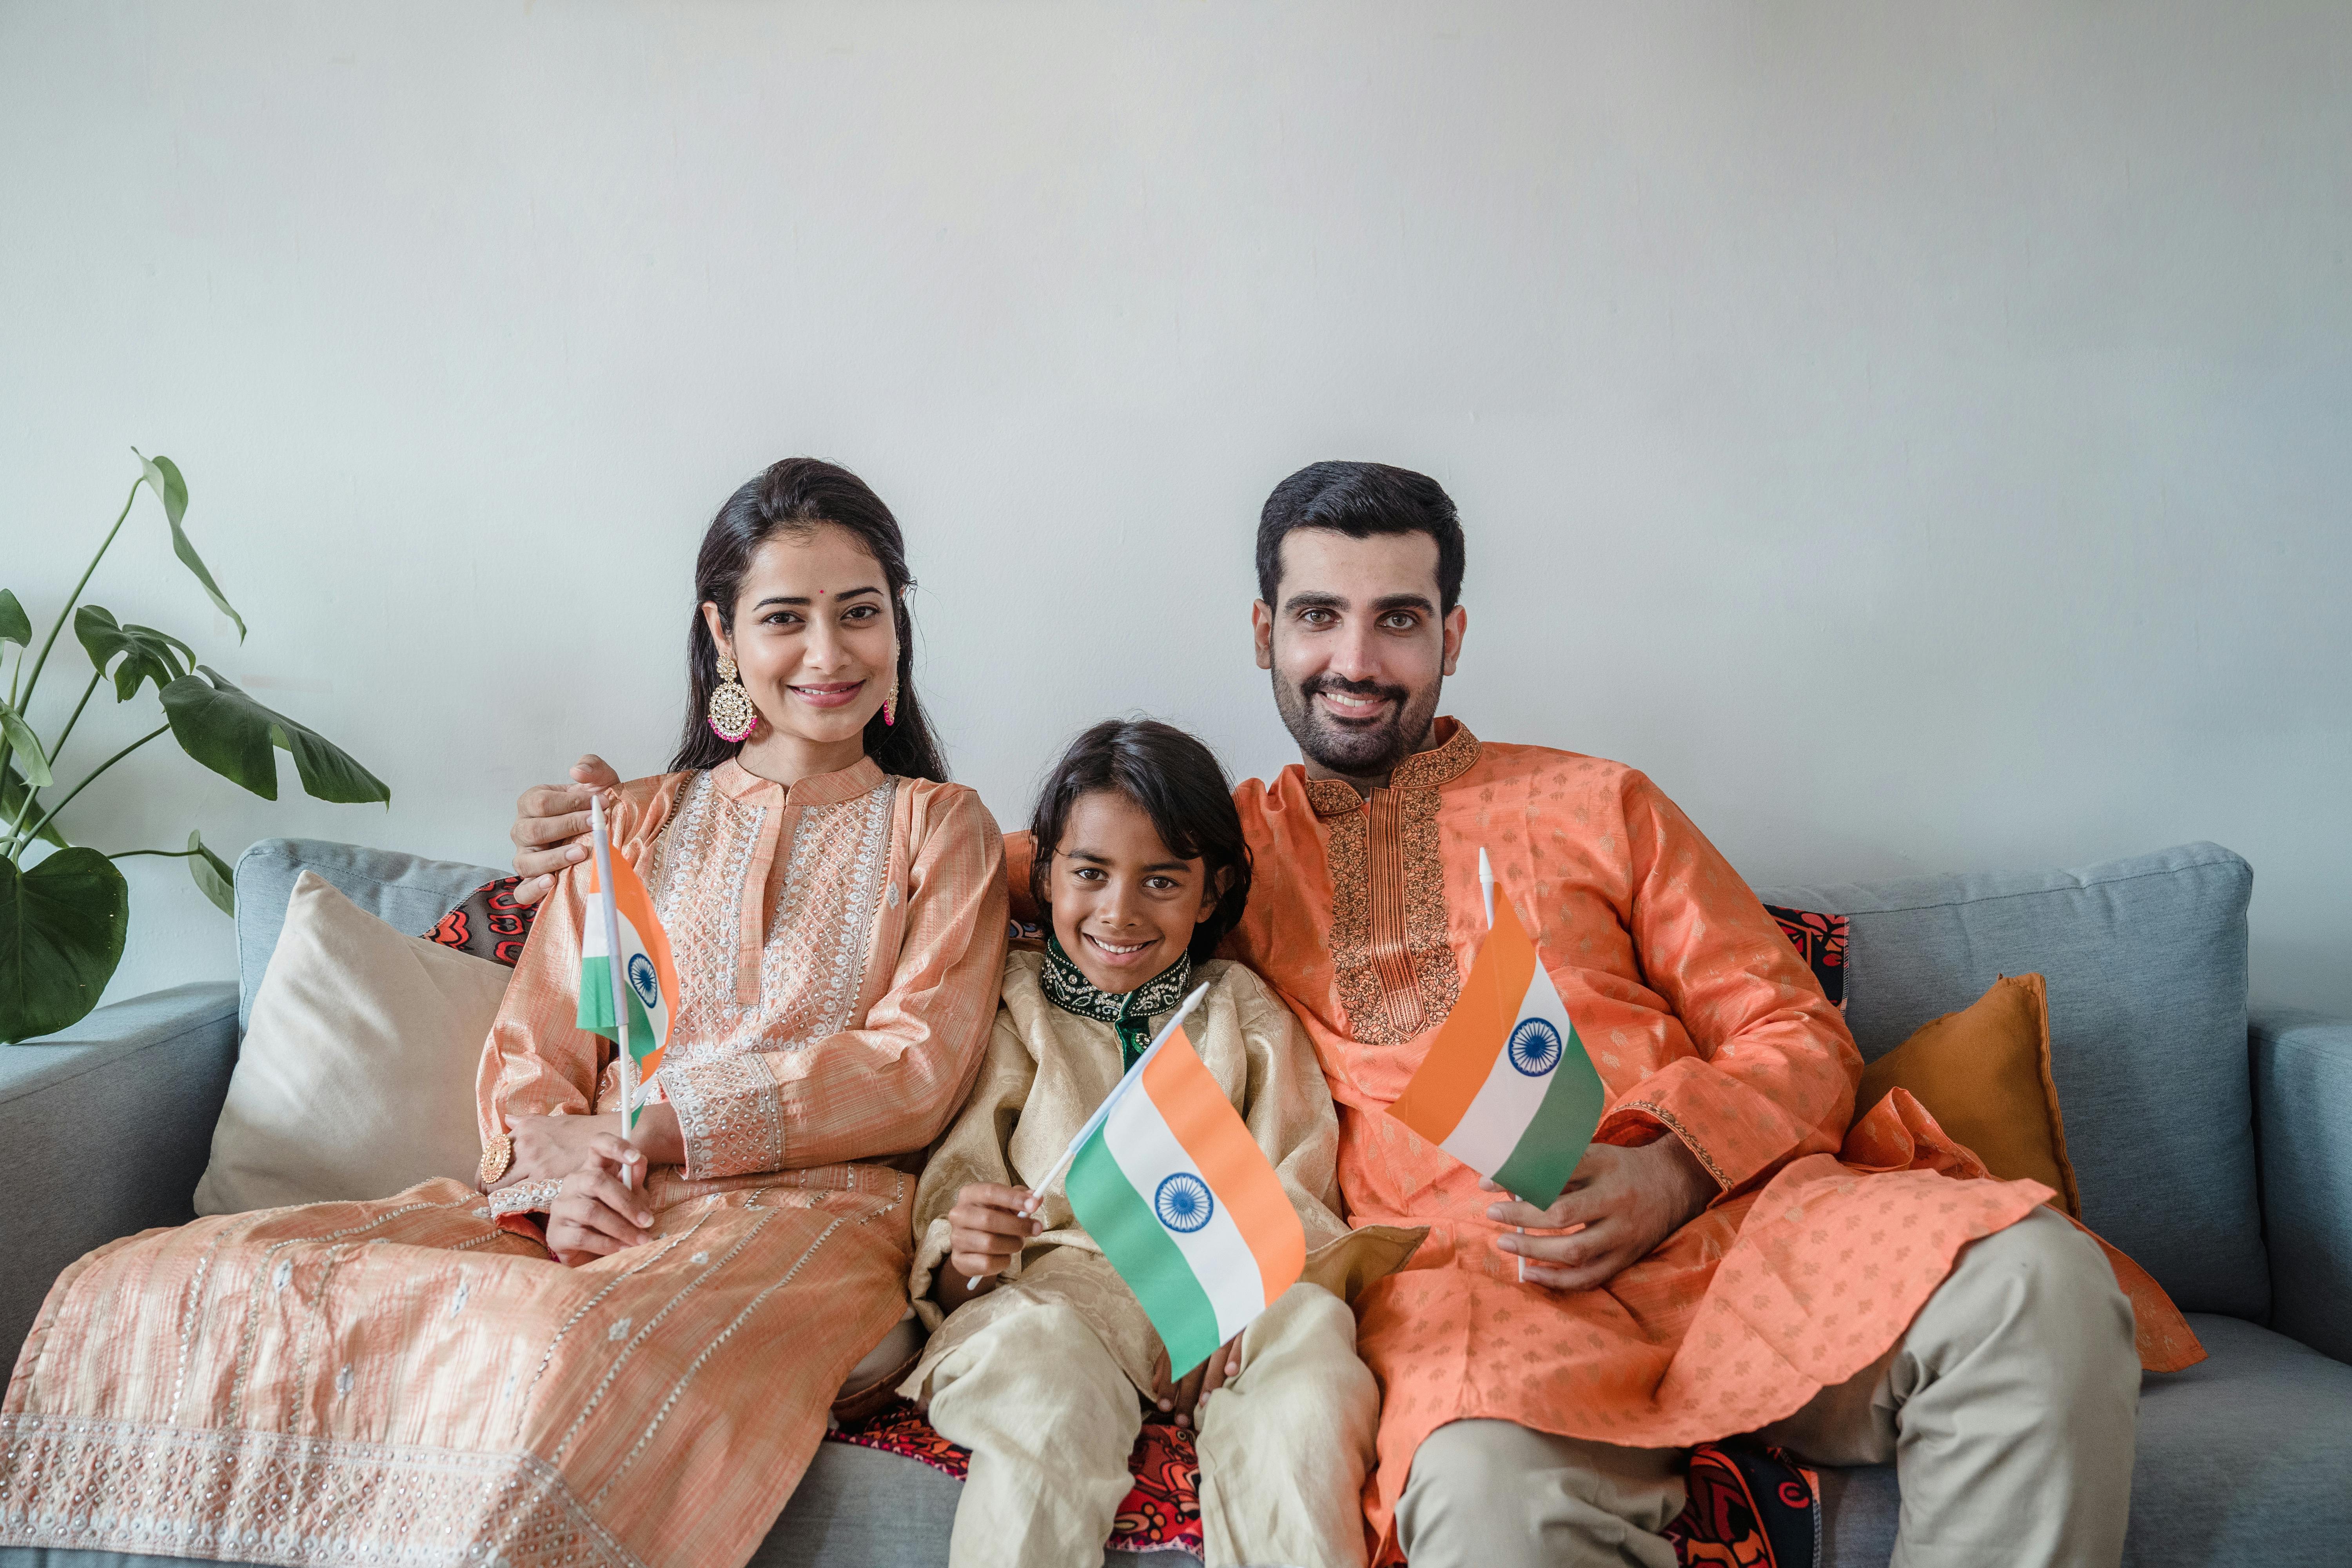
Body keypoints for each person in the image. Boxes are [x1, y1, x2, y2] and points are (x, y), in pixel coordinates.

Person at [508, 461, 2196, 1568]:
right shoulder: (1206, 850)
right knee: (1476, 1503)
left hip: (1742, 1229)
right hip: (1483, 1289)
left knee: (2035, 1286)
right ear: (1265, 634)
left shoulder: (1602, 801)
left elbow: (1796, 1031)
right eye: (1321, 616)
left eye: (1399, 617)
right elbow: (929, 864)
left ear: (1454, 632)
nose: (1359, 657)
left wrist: (1679, 1168)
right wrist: (642, 813)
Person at [0, 459, 1007, 1568]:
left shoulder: (941, 828)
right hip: (598, 1203)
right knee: (181, 1281)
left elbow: (914, 1067)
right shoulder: (624, 824)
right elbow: (536, 1062)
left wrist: (665, 1131)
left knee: (577, 1349)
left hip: (816, 1225)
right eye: (786, 619)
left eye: (860, 613)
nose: (828, 654)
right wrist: (555, 1188)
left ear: (897, 628)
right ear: (722, 638)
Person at [906, 718, 1417, 1568]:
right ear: (1046, 875)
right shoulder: (1009, 1008)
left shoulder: (1241, 1011)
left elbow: (1297, 1188)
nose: (1119, 910)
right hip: (1057, 1294)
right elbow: (956, 1228)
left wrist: (1238, 1299)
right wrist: (968, 1250)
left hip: (1227, 1297)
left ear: (1211, 893)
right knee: (1044, 1382)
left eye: (1161, 881)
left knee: (1315, 1358)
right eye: (1090, 873)